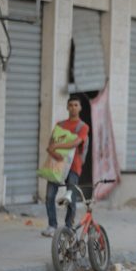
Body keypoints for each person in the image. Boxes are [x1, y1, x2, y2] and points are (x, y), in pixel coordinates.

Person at [41, 97, 90, 238]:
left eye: (76, 105)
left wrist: (57, 146)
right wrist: (54, 153)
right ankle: (52, 225)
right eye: (71, 105)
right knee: (50, 195)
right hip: (57, 165)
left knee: (70, 197)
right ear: (67, 108)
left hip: (74, 166)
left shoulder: (83, 127)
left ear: (80, 108)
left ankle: (69, 227)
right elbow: (50, 145)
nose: (73, 107)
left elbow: (76, 142)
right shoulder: (60, 125)